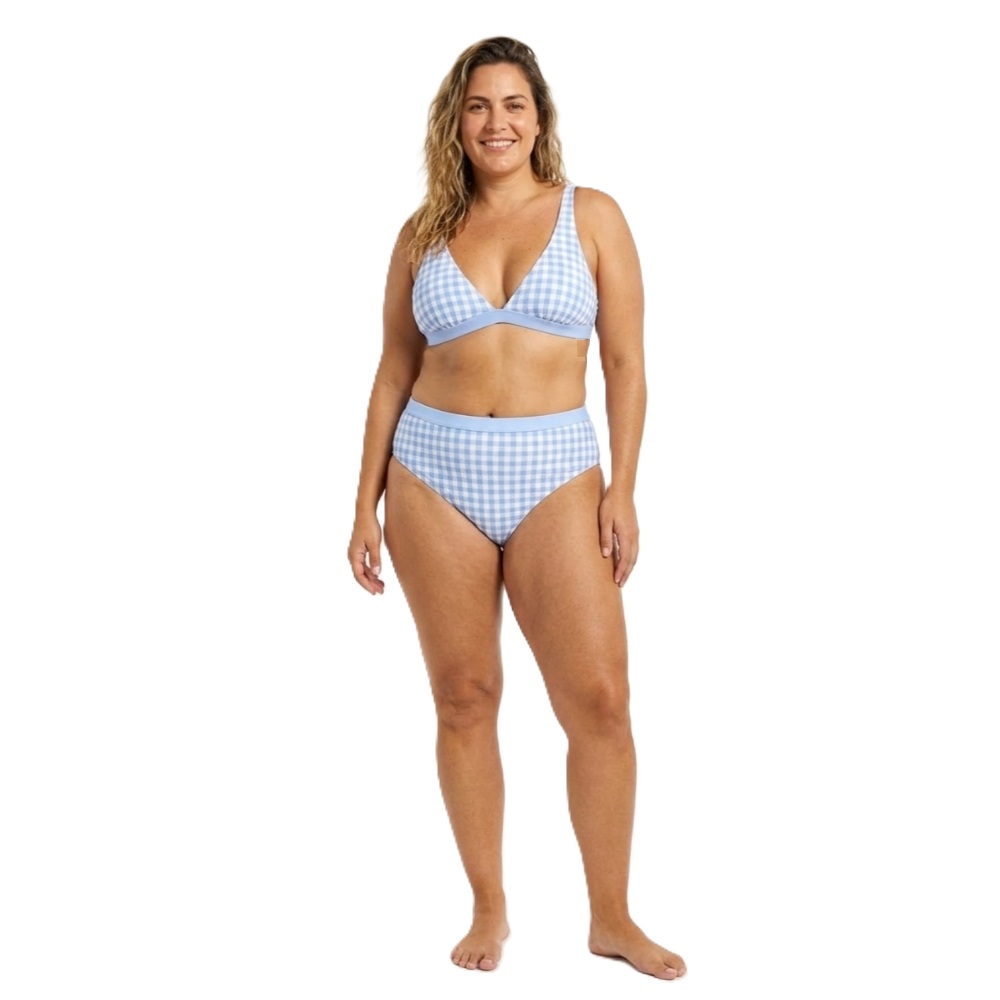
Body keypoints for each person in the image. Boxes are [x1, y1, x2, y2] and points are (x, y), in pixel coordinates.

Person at [347, 36, 686, 980]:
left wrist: (624, 487)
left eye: (513, 104)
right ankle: (489, 907)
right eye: (477, 105)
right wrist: (363, 504)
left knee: (601, 702)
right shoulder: (423, 233)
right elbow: (393, 370)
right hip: (432, 476)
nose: (496, 122)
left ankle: (611, 916)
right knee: (464, 697)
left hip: (556, 474)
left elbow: (626, 364)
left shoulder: (592, 215)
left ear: (540, 119)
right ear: (454, 122)